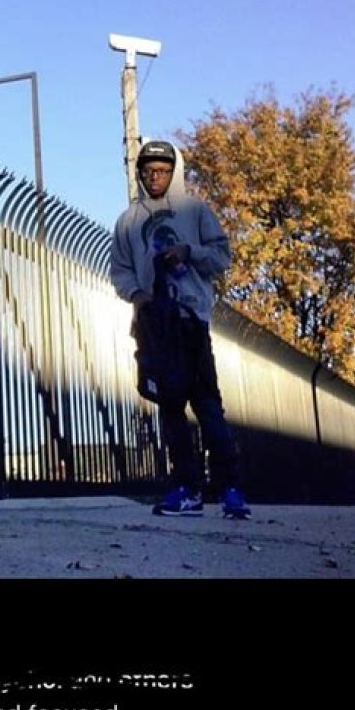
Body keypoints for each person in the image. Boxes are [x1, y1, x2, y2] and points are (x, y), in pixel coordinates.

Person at [110, 139, 250, 518]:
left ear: (175, 173)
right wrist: (138, 295)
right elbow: (119, 268)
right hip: (154, 325)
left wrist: (190, 252)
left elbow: (221, 256)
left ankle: (230, 488)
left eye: (162, 171)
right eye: (147, 171)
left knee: (207, 405)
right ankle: (187, 487)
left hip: (190, 320)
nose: (154, 177)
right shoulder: (129, 220)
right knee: (170, 408)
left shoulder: (195, 210)